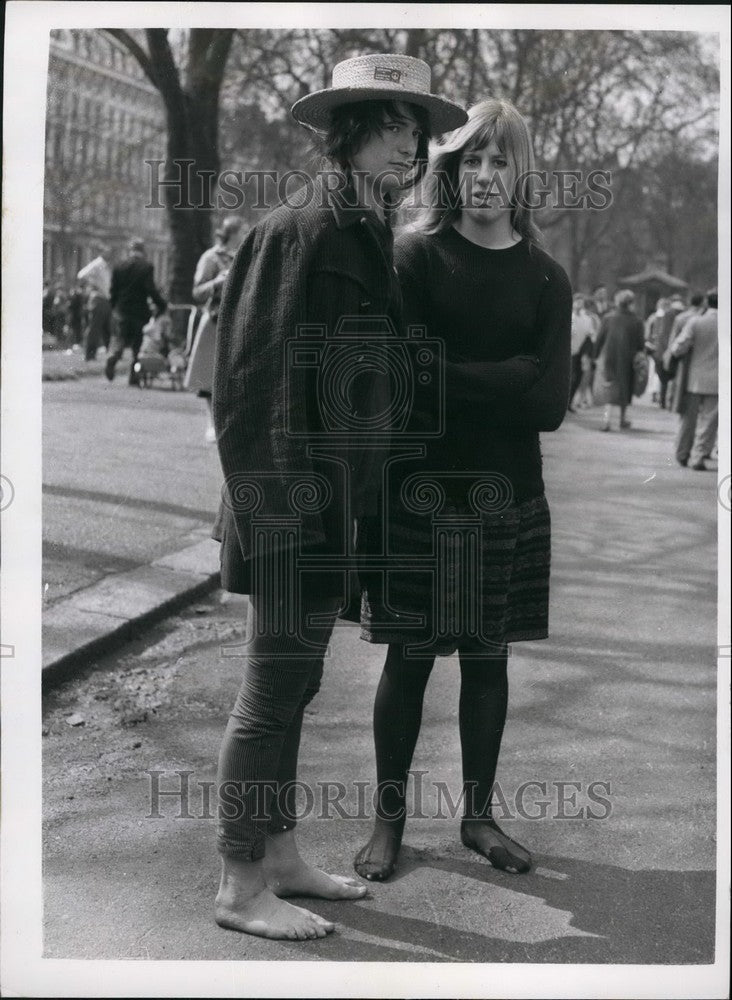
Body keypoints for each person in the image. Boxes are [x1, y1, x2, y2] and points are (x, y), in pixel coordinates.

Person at [211, 54, 467, 940]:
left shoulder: (360, 231)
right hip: (289, 511)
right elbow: (251, 390)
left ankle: (277, 854)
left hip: (332, 512)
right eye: (392, 125)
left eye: (418, 131)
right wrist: (287, 520)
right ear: (347, 132)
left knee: (298, 683)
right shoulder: (302, 229)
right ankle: (242, 883)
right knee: (270, 693)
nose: (411, 146)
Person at [352, 98, 572, 882]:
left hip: (506, 494)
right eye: (471, 160)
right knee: (409, 658)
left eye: (499, 160)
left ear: (519, 174)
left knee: (488, 659)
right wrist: (507, 376)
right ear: (451, 171)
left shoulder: (547, 278)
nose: (484, 174)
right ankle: (388, 823)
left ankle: (478, 818)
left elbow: (548, 405)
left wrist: (458, 377)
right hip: (419, 492)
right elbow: (406, 382)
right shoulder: (413, 258)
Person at [184, 217, 243, 443]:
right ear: (232, 233)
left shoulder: (245, 256)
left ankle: (230, 425)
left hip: (239, 319)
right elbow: (197, 292)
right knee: (209, 377)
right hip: (215, 320)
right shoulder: (211, 257)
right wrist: (218, 282)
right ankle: (212, 423)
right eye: (242, 232)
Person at [668, 290, 718, 470]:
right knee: (709, 421)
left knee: (688, 419)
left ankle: (683, 453)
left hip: (694, 378)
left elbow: (677, 348)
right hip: (718, 381)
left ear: (707, 302)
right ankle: (699, 456)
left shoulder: (696, 322)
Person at [105, 238, 167, 385]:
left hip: (121, 309)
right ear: (143, 251)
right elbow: (151, 289)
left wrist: (114, 306)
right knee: (137, 345)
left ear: (130, 251)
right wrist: (161, 304)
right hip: (139, 310)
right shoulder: (146, 267)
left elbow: (113, 291)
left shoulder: (119, 266)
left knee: (120, 338)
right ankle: (133, 376)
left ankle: (113, 356)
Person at [593, 289, 645, 431]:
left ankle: (607, 420)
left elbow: (599, 339)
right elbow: (641, 344)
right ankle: (623, 419)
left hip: (609, 357)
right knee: (626, 387)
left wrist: (595, 356)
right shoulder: (637, 321)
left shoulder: (608, 318)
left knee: (609, 387)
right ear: (630, 303)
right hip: (628, 358)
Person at [78, 246, 113, 360]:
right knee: (95, 328)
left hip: (105, 300)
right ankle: (90, 355)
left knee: (107, 329)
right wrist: (93, 284)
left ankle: (109, 354)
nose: (109, 253)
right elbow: (82, 274)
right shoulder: (97, 264)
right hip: (98, 299)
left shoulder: (105, 266)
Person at [568, 293, 596, 411]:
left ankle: (569, 403)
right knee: (569, 377)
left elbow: (590, 336)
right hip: (567, 352)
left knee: (577, 378)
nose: (579, 304)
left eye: (581, 302)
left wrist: (586, 353)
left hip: (579, 353)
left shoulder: (587, 319)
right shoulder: (569, 317)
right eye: (577, 301)